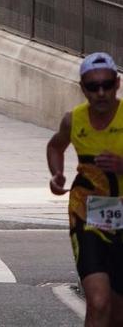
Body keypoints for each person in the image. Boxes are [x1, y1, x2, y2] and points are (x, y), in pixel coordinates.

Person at [46, 52, 123, 326]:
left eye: (107, 85)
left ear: (117, 84)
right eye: (93, 86)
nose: (101, 93)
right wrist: (57, 174)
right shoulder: (74, 120)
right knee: (98, 302)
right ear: (83, 88)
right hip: (87, 217)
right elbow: (55, 145)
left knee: (117, 312)